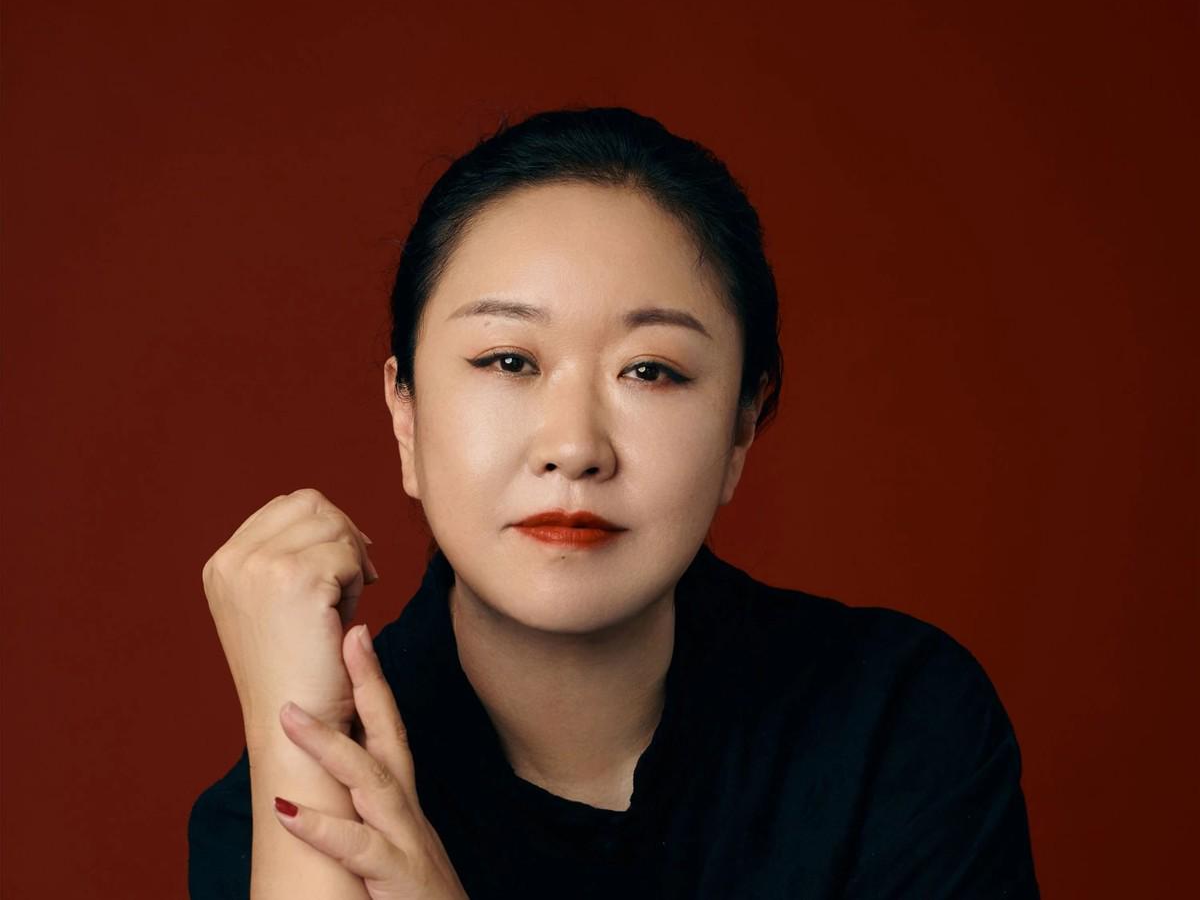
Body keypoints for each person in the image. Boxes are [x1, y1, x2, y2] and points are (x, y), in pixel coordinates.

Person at [188, 106, 1040, 899]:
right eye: (508, 361)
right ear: (404, 415)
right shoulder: (268, 816)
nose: (575, 447)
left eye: (651, 371)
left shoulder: (896, 724)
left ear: (741, 428)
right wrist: (294, 733)